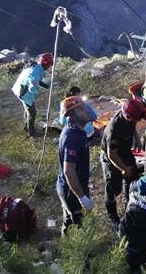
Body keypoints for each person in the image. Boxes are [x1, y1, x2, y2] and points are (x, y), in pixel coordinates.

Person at [101, 99, 146, 226]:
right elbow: (112, 154)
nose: (137, 122)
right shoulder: (114, 128)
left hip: (125, 150)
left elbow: (133, 126)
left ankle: (131, 207)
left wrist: (137, 139)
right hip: (112, 158)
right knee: (113, 188)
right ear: (127, 117)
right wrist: (123, 169)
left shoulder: (132, 116)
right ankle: (113, 217)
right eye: (135, 119)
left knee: (132, 179)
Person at [56, 96, 96, 235]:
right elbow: (69, 170)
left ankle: (65, 245)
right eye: (81, 109)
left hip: (75, 186)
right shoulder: (71, 137)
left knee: (69, 219)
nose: (86, 111)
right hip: (70, 190)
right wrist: (82, 197)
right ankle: (80, 254)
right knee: (79, 224)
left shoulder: (79, 131)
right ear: (73, 114)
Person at [12, 53, 53, 137]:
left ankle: (26, 127)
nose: (48, 67)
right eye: (49, 65)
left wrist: (46, 86)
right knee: (32, 113)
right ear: (46, 64)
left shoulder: (36, 67)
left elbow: (37, 81)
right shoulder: (36, 71)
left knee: (28, 111)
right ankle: (31, 132)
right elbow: (33, 82)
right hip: (24, 92)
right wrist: (34, 90)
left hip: (19, 88)